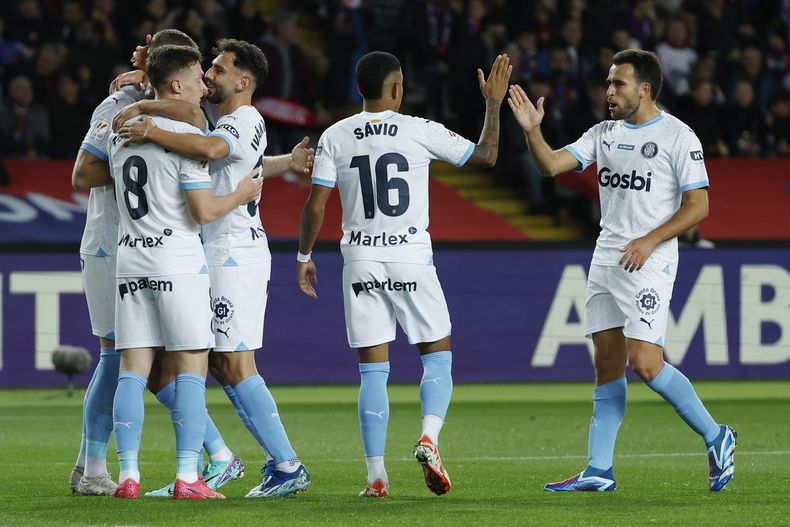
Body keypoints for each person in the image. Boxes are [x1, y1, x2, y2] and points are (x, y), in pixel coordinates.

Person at [506, 49, 736, 492]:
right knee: (607, 365)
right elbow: (552, 165)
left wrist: (651, 240)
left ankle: (716, 435)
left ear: (644, 89)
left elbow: (700, 206)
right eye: (609, 84)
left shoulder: (678, 136)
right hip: (606, 257)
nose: (609, 92)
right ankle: (599, 469)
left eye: (618, 84)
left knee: (646, 364)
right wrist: (534, 133)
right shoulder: (603, 132)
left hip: (649, 263)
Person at [295, 51, 511, 498]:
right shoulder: (420, 129)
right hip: (410, 255)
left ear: (360, 89)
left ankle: (376, 478)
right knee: (437, 355)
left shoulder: (335, 135)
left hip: (359, 260)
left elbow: (316, 204)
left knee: (372, 372)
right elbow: (487, 156)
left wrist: (304, 256)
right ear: (397, 88)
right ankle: (429, 437)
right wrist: (492, 103)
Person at [116, 38, 313, 498]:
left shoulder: (245, 118)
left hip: (232, 251)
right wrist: (287, 162)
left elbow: (211, 149)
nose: (210, 75)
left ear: (243, 82)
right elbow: (240, 160)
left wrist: (148, 127)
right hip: (203, 251)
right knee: (167, 366)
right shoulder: (230, 122)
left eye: (219, 70)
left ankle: (286, 465)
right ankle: (219, 457)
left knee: (230, 362)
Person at [69, 29, 246, 498]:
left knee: (135, 362)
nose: (205, 86)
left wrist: (145, 126)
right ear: (170, 76)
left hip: (131, 253)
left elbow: (190, 116)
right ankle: (109, 467)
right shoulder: (121, 110)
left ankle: (132, 470)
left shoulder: (147, 114)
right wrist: (156, 146)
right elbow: (82, 173)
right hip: (120, 247)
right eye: (197, 76)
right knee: (151, 361)